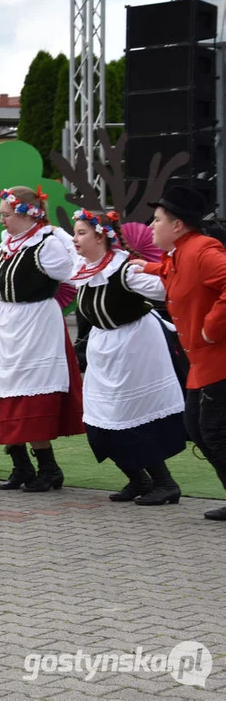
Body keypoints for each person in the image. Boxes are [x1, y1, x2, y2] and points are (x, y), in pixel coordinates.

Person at [69, 209, 186, 505]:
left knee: (132, 418)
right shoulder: (83, 267)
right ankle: (138, 480)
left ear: (101, 236)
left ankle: (165, 483)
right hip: (104, 347)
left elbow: (171, 289)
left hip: (136, 346)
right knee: (99, 419)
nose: (75, 238)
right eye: (75, 232)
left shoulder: (126, 270)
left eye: (82, 232)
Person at [0, 187, 84, 492]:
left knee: (32, 394)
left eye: (6, 214)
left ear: (25, 214)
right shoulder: (11, 243)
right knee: (6, 391)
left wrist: (61, 236)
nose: (1, 219)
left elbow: (75, 271)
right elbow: (3, 261)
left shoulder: (47, 245)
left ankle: (49, 468)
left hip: (36, 325)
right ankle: (21, 465)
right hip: (9, 324)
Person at [135, 187, 226, 519]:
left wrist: (211, 326)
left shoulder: (203, 250)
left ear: (178, 225)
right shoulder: (177, 255)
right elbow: (171, 273)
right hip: (203, 363)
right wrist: (139, 266)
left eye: (157, 220)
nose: (151, 226)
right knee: (199, 429)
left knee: (212, 431)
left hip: (219, 360)